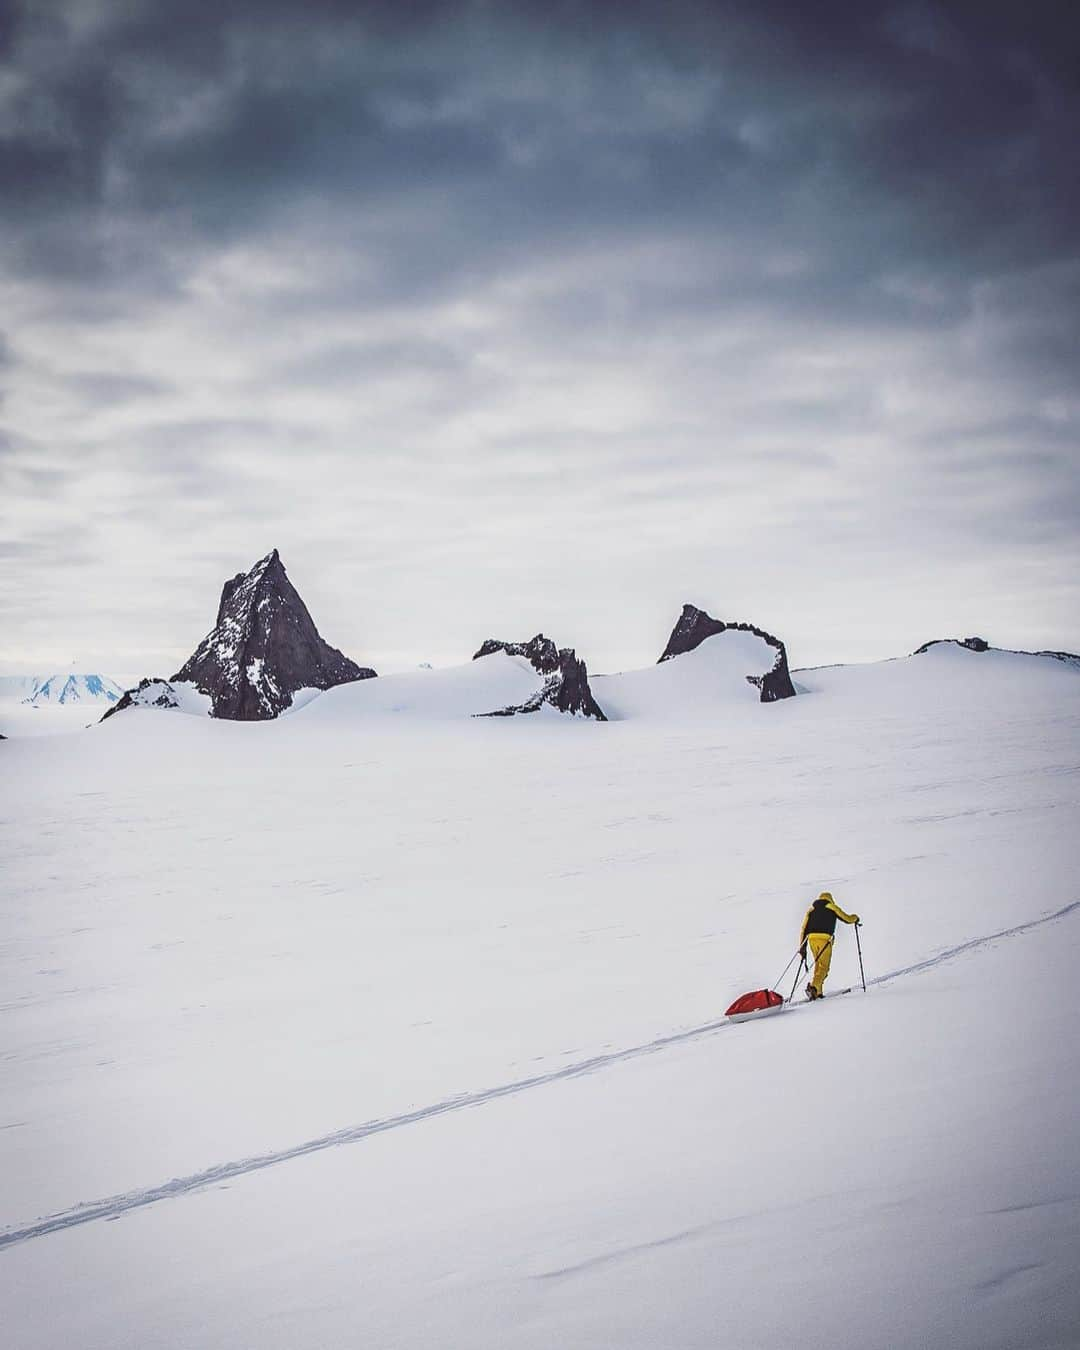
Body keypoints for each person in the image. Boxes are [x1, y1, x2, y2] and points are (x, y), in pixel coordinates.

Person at [799, 891, 860, 999]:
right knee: (824, 967)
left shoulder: (811, 909)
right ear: (830, 899)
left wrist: (802, 948)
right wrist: (855, 918)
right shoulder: (832, 907)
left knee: (819, 965)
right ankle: (813, 987)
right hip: (824, 940)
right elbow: (846, 918)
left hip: (812, 939)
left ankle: (818, 992)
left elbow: (803, 928)